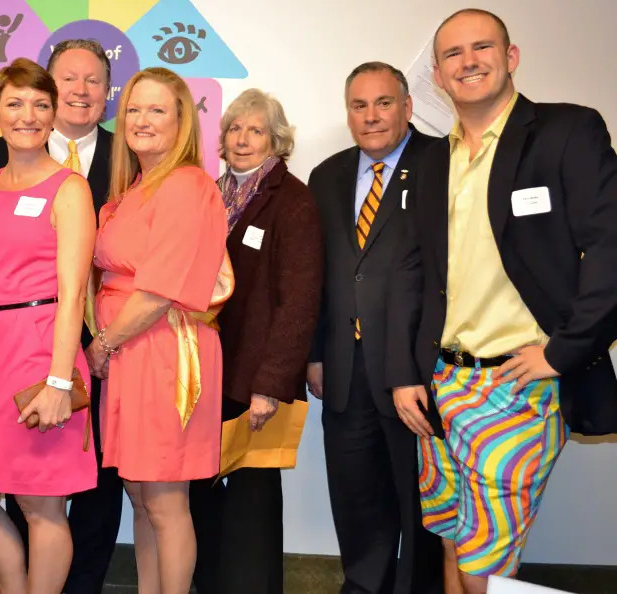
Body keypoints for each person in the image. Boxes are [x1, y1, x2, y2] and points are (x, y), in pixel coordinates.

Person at [387, 9, 617, 594]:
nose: (468, 62)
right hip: (440, 385)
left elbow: (611, 247)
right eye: (453, 55)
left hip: (516, 388)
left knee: (483, 563)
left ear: (510, 57)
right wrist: (405, 372)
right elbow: (413, 276)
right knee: (451, 534)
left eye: (482, 47)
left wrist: (563, 352)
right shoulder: (432, 160)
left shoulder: (568, 132)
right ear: (436, 76)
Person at [0, 58, 97, 594]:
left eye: (40, 105)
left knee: (42, 504)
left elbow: (75, 293)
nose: (27, 115)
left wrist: (60, 381)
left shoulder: (70, 188)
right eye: (14, 103)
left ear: (54, 114)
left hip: (42, 350)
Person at [0, 38, 122, 594]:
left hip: (113, 339)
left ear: (108, 93)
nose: (82, 91)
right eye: (70, 79)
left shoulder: (130, 152)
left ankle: (83, 585)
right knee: (27, 476)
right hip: (22, 339)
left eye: (94, 80)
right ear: (48, 87)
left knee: (99, 474)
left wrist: (110, 338)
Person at [86, 67, 227, 594]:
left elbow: (159, 289)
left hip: (166, 349)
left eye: (157, 110)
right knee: (141, 495)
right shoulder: (136, 188)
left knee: (166, 500)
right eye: (134, 111)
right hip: (132, 350)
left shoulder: (187, 186)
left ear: (182, 121)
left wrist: (103, 343)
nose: (142, 121)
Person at [308, 62, 444, 594]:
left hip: (416, 367)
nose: (371, 117)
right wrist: (315, 353)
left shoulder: (444, 164)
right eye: (359, 106)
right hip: (344, 368)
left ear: (407, 107)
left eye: (383, 103)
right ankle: (365, 585)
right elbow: (316, 275)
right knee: (356, 493)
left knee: (422, 498)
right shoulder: (327, 175)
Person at [189, 89, 322, 594]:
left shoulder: (293, 201)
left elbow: (300, 300)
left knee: (252, 498)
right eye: (234, 129)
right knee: (202, 492)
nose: (242, 139)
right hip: (206, 372)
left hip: (255, 378)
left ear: (277, 140)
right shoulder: (209, 194)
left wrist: (270, 384)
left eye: (256, 130)